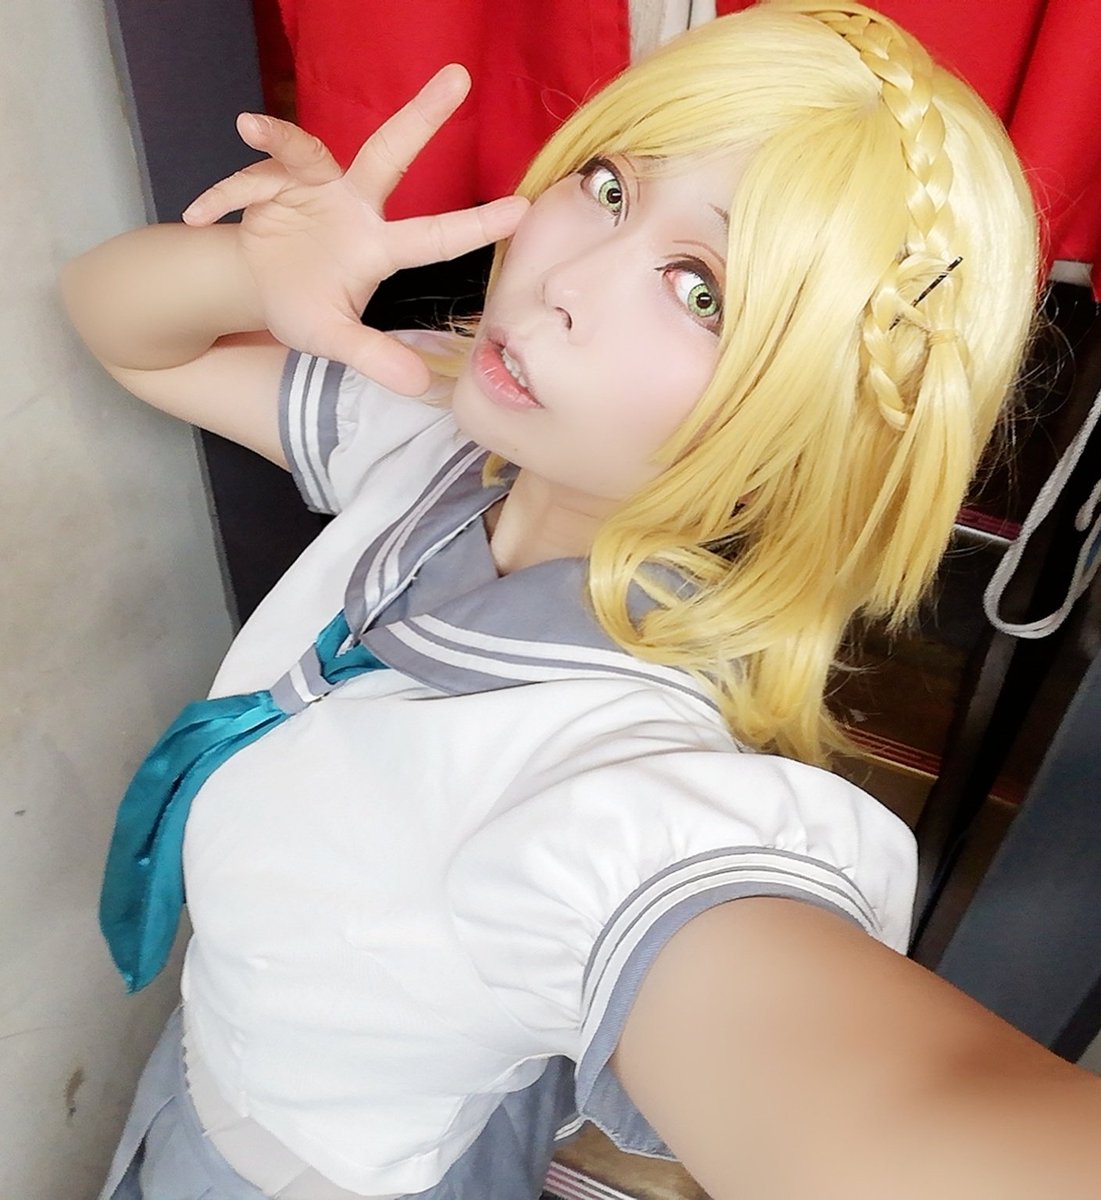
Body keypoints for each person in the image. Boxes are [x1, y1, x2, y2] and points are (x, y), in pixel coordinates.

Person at [60, 3, 1101, 1198]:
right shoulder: (431, 437)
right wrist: (255, 266)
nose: (566, 278)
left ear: (807, 431)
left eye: (701, 291)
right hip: (199, 1071)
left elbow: (889, 1127)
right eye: (610, 187)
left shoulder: (616, 786)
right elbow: (121, 327)